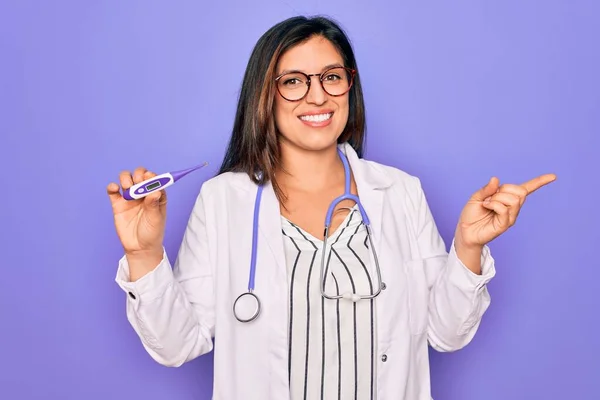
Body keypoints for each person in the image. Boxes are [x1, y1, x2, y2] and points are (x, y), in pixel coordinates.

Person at [106, 15, 555, 400]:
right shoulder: (225, 199)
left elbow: (447, 333)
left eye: (332, 77)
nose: (317, 96)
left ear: (349, 85)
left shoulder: (399, 192)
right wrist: (143, 255)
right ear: (264, 95)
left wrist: (468, 248)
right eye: (293, 82)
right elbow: (176, 345)